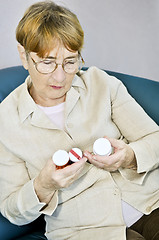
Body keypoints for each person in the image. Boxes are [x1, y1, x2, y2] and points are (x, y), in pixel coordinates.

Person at [0, 1, 159, 240]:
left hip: (150, 202)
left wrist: (129, 156)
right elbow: (12, 210)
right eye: (47, 62)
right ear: (24, 55)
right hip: (86, 230)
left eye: (70, 61)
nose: (60, 76)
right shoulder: (5, 121)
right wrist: (44, 184)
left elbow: (154, 139)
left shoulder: (101, 84)